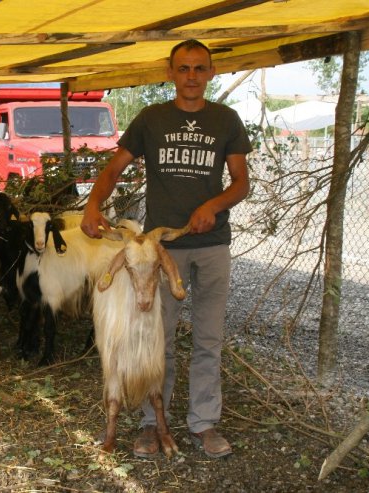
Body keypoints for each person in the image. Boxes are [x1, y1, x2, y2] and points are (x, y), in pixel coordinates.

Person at [81, 39, 252, 459]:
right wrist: (92, 203)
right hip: (159, 251)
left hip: (211, 245)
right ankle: (149, 424)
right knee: (156, 339)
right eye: (183, 68)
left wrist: (213, 206)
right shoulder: (151, 119)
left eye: (199, 68)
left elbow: (241, 182)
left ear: (211, 72)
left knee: (208, 339)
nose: (191, 76)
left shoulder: (225, 119)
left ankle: (204, 424)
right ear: (170, 72)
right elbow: (114, 168)